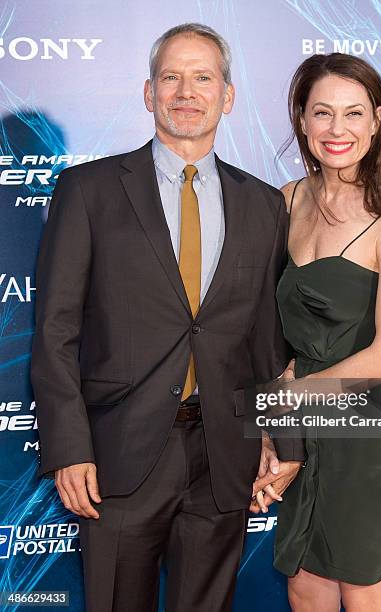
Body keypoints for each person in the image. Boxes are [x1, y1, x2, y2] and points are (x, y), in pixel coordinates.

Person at [30, 23, 304, 612]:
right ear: (148, 91)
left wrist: (281, 438)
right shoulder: (88, 190)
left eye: (203, 77)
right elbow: (55, 332)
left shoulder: (262, 204)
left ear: (226, 96)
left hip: (223, 457)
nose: (186, 91)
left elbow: (265, 340)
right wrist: (68, 446)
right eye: (171, 77)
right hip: (115, 456)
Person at [253, 53, 381, 611]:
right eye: (322, 112)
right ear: (301, 120)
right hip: (303, 427)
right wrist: (274, 430)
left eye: (354, 114)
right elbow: (269, 333)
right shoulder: (287, 199)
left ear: (377, 120)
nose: (338, 130)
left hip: (369, 430)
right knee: (305, 590)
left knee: (365, 595)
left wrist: (285, 401)